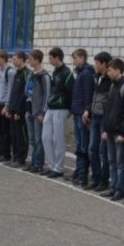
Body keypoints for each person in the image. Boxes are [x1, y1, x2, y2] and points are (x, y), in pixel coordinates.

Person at [100, 58, 124, 201]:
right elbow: (108, 110)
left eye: (110, 70)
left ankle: (120, 189)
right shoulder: (112, 86)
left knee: (120, 163)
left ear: (118, 71)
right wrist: (105, 129)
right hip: (110, 130)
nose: (108, 73)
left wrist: (123, 133)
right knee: (111, 161)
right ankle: (113, 187)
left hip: (119, 133)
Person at [41, 47, 74, 179]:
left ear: (57, 58)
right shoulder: (55, 72)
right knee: (45, 137)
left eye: (50, 58)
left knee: (57, 139)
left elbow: (70, 92)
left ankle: (58, 168)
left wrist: (69, 109)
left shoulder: (67, 73)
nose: (49, 60)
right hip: (51, 107)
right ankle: (51, 165)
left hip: (61, 108)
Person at [84, 52, 112, 191]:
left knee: (103, 152)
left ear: (104, 64)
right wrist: (88, 110)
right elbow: (93, 96)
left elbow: (110, 102)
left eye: (97, 63)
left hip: (104, 119)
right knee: (92, 149)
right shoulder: (96, 77)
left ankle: (104, 180)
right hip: (94, 116)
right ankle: (95, 178)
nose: (95, 65)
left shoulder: (110, 80)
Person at [70, 49, 95, 186]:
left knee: (83, 145)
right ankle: (79, 171)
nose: (73, 61)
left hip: (82, 114)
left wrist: (87, 110)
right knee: (79, 144)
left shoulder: (86, 73)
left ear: (81, 57)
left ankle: (83, 174)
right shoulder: (80, 73)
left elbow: (88, 94)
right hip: (77, 112)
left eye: (75, 58)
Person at [24, 49, 50, 173]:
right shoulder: (30, 75)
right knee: (32, 139)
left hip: (38, 112)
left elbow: (47, 95)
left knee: (39, 139)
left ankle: (38, 163)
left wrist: (42, 112)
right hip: (29, 109)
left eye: (31, 59)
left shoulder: (44, 76)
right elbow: (27, 91)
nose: (29, 61)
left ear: (37, 60)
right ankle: (33, 161)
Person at [6, 51, 31, 167]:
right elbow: (13, 92)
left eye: (15, 59)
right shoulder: (16, 73)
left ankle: (21, 158)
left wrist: (19, 111)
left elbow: (24, 94)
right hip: (13, 109)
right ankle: (15, 156)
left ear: (21, 59)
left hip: (19, 111)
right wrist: (9, 108)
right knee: (13, 135)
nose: (13, 61)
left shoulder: (27, 73)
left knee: (21, 136)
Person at [0, 51, 15, 162]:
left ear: (3, 59)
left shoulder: (9, 72)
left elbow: (10, 90)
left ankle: (6, 154)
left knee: (5, 131)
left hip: (3, 105)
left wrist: (7, 106)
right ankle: (1, 152)